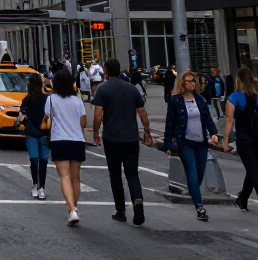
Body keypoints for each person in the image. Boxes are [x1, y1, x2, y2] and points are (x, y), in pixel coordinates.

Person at [92, 57, 153, 226]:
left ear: (105, 71)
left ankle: (120, 210)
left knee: (115, 174)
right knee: (132, 173)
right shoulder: (131, 89)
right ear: (119, 70)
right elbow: (142, 112)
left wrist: (96, 132)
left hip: (112, 137)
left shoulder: (102, 89)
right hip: (131, 137)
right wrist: (147, 131)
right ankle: (138, 201)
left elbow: (98, 114)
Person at [223, 66, 258, 220]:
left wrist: (225, 141)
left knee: (253, 172)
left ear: (238, 80)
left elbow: (229, 121)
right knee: (254, 172)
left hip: (244, 140)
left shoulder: (234, 97)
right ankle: (242, 199)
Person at [162, 69, 219, 221]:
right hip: (185, 142)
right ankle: (199, 206)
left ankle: (194, 192)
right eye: (188, 81)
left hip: (201, 142)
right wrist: (168, 143)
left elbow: (206, 118)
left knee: (200, 172)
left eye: (193, 81)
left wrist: (213, 133)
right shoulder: (175, 100)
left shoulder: (199, 99)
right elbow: (170, 123)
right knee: (192, 171)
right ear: (182, 83)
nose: (191, 83)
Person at [44, 68, 86, 226]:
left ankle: (72, 209)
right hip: (77, 140)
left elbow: (47, 120)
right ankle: (73, 209)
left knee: (65, 177)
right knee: (76, 178)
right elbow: (83, 123)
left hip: (59, 140)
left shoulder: (51, 99)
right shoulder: (78, 101)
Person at [18, 72, 50, 199]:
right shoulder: (47, 99)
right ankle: (42, 188)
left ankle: (35, 185)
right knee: (44, 161)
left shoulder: (26, 100)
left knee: (34, 160)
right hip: (45, 133)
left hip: (31, 133)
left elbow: (21, 116)